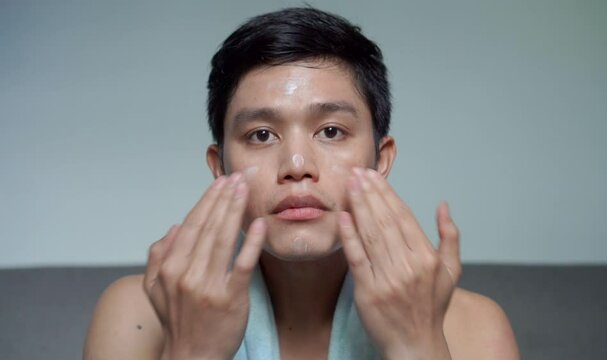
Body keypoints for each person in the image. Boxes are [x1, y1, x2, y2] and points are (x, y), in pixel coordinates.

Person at [84, 7, 519, 360]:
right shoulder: (137, 313)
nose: (296, 164)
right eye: (261, 135)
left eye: (331, 131)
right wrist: (192, 352)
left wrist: (416, 347)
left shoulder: (472, 327)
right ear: (221, 168)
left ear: (380, 159)